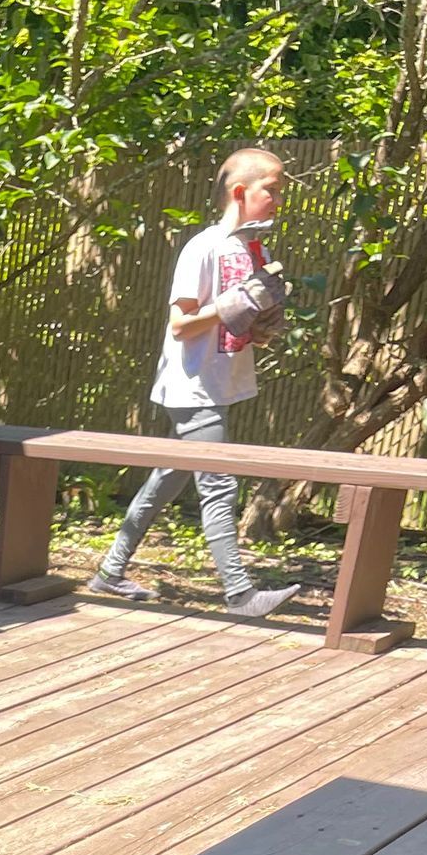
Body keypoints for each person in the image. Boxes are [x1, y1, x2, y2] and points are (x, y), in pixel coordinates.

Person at [86, 145, 300, 619]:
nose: (278, 200)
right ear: (240, 192)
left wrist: (262, 325)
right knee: (218, 484)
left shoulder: (249, 250)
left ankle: (110, 571)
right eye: (272, 190)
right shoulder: (203, 247)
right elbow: (180, 326)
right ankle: (241, 595)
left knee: (167, 478)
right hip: (193, 387)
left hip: (219, 382)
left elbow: (238, 322)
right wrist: (233, 304)